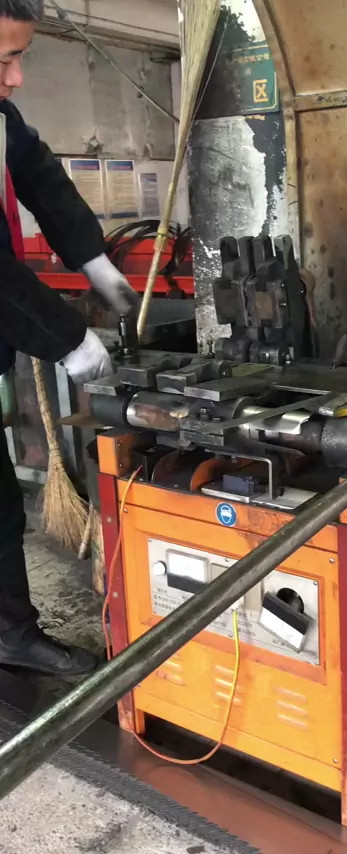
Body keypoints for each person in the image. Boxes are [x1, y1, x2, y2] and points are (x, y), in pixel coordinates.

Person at [0, 0, 139, 677]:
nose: (17, 77)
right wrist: (69, 340)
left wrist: (94, 260)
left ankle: (8, 633)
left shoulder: (0, 117)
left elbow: (42, 178)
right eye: (5, 59)